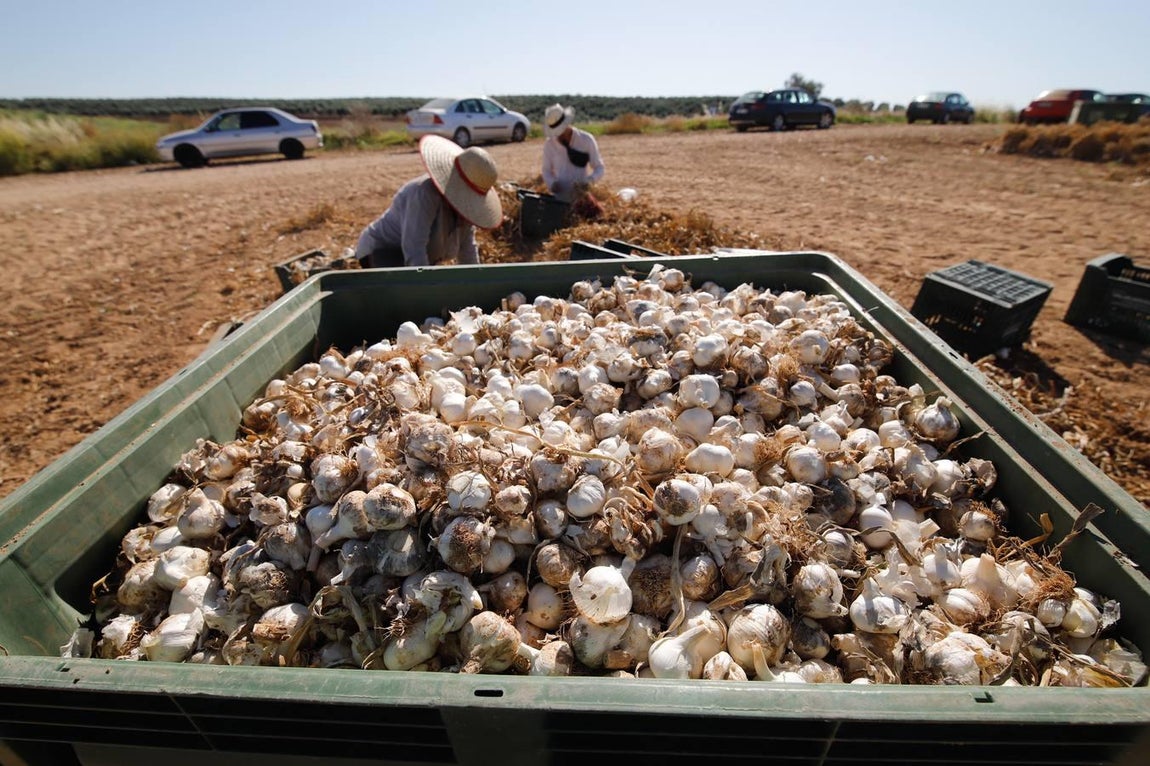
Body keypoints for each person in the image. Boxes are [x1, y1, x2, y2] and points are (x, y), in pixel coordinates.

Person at [354, 135, 502, 268]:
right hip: (382, 252)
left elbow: (467, 248)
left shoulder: (466, 209)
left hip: (415, 256)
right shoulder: (423, 193)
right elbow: (414, 248)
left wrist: (475, 280)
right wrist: (425, 285)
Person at [541, 103, 605, 203]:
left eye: (561, 131)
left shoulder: (586, 140)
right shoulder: (549, 145)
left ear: (567, 124)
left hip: (581, 198)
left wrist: (589, 181)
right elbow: (546, 171)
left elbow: (599, 167)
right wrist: (552, 183)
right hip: (559, 200)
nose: (559, 135)